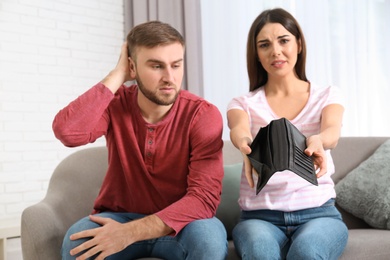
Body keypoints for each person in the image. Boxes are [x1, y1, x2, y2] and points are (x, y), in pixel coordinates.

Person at [53, 20, 227, 260]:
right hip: (118, 216)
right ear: (132, 68)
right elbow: (67, 132)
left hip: (182, 223)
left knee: (209, 240)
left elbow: (203, 199)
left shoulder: (202, 114)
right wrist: (117, 76)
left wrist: (129, 233)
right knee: (78, 243)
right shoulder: (115, 104)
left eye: (176, 65)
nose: (169, 77)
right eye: (156, 66)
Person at [227, 8, 348, 260]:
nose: (275, 51)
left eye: (284, 40)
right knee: (260, 253)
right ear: (256, 54)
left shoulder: (326, 95)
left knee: (306, 252)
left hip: (319, 214)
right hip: (259, 217)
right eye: (264, 45)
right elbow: (237, 128)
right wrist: (244, 144)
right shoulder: (244, 103)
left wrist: (318, 140)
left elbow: (332, 132)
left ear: (299, 44)